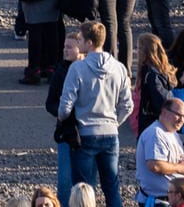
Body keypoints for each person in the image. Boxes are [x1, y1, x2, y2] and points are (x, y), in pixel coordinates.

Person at [57, 22, 134, 207]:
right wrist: (115, 123)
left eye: (81, 39)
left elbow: (65, 105)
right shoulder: (119, 68)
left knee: (83, 189)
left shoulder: (77, 68)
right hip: (110, 134)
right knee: (112, 187)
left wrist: (62, 117)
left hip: (85, 134)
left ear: (89, 43)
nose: (79, 42)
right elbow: (128, 105)